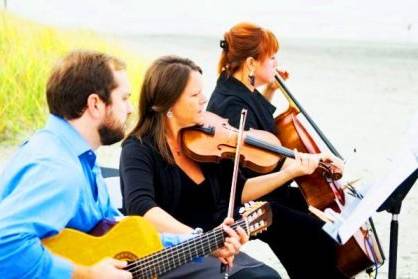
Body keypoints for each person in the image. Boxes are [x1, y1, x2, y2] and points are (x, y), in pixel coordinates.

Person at [0, 50, 243, 279]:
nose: (129, 109)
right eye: (124, 98)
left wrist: (202, 243)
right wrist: (87, 274)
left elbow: (115, 230)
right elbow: (6, 244)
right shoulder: (58, 169)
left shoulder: (78, 155)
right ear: (95, 104)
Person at [207, 22, 348, 278]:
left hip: (265, 189)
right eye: (271, 58)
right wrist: (293, 170)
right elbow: (237, 185)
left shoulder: (236, 89)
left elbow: (257, 138)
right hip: (242, 203)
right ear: (251, 63)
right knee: (317, 233)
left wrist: (270, 90)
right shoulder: (230, 104)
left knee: (324, 215)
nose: (275, 63)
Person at [120, 55, 281, 278]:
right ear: (168, 104)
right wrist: (199, 239)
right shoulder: (138, 148)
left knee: (268, 276)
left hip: (210, 251)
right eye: (195, 95)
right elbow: (141, 208)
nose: (204, 99)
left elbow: (233, 195)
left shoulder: (206, 144)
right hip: (164, 257)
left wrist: (233, 234)